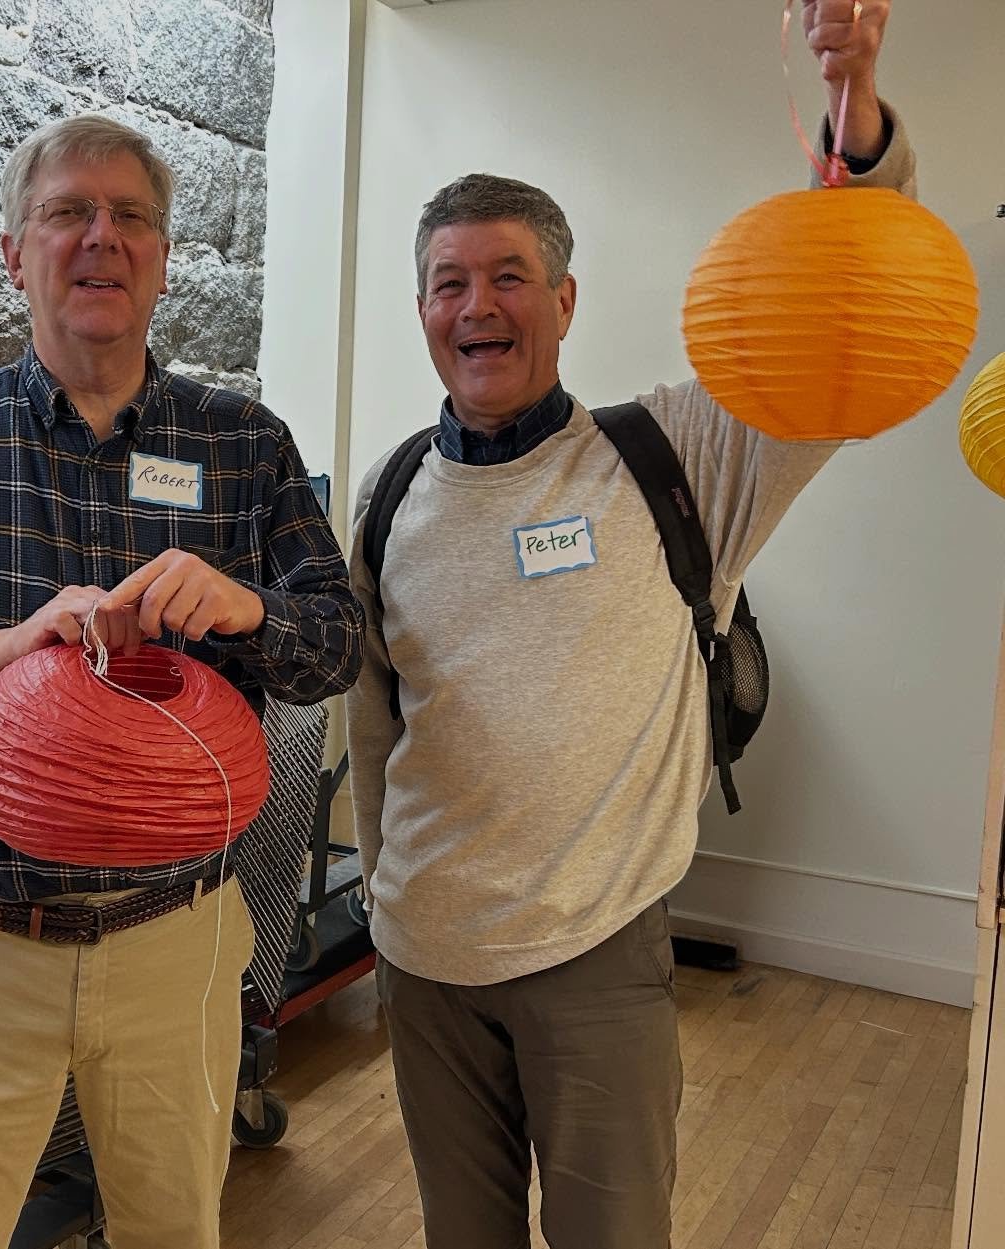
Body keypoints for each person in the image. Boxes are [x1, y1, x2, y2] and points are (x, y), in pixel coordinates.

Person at [344, 4, 909, 1246]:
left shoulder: (677, 454)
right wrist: (385, 903)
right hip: (427, 962)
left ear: (565, 298)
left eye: (508, 277)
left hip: (594, 956)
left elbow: (837, 326)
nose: (476, 306)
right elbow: (376, 716)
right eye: (449, 283)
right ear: (423, 310)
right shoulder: (389, 493)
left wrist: (851, 106)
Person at [0, 113, 363, 1249]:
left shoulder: (245, 444)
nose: (101, 238)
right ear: (16, 253)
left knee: (172, 1232)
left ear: (161, 259)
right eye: (68, 212)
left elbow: (337, 643)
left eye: (132, 217)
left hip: (176, 939)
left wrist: (250, 609)